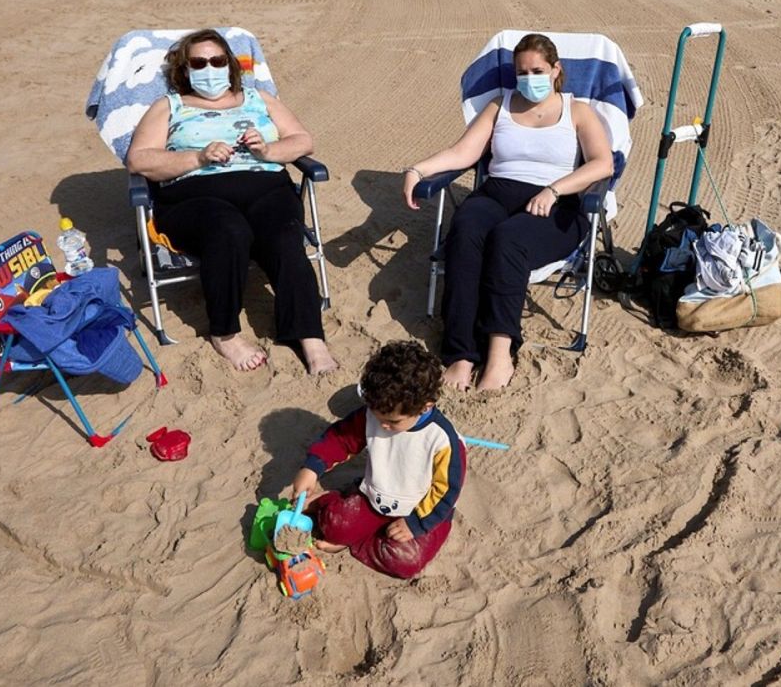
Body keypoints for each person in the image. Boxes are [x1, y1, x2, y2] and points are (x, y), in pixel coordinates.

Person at [402, 33, 613, 394]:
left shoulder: (577, 111)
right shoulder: (500, 106)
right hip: (498, 193)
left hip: (556, 204)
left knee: (509, 240)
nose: (529, 78)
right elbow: (463, 152)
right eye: (521, 71)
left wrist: (555, 189)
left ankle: (500, 353)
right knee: (466, 230)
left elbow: (603, 164)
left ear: (555, 69)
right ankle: (461, 353)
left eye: (537, 70)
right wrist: (417, 169)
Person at [126, 28, 336, 374]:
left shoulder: (259, 98)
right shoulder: (169, 106)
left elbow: (302, 140)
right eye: (199, 62)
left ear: (230, 64)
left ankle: (310, 337)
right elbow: (139, 160)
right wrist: (199, 157)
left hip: (266, 188)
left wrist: (268, 149)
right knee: (228, 230)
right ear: (185, 70)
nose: (210, 68)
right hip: (194, 198)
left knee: (284, 235)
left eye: (218, 60)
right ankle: (224, 333)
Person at [289, 340, 464, 580]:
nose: (383, 425)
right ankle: (333, 509)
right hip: (375, 497)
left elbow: (446, 492)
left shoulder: (442, 441)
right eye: (377, 415)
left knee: (406, 562)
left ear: (425, 407)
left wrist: (416, 524)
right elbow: (342, 439)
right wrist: (312, 467)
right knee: (333, 525)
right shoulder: (376, 412)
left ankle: (355, 542)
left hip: (420, 511)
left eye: (393, 422)